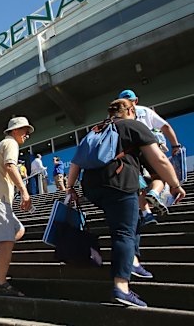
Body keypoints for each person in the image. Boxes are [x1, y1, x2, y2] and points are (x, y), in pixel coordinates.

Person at [67, 98, 186, 307]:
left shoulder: (96, 129)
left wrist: (70, 188)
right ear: (131, 110)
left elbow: (76, 163)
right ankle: (122, 287)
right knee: (124, 232)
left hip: (92, 188)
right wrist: (174, 184)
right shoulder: (134, 126)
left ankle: (132, 260)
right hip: (120, 183)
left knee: (129, 221)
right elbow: (159, 159)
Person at [0, 117, 33, 296]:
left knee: (18, 229)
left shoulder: (0, 146)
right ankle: (0, 284)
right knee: (8, 239)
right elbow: (10, 166)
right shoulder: (10, 144)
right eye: (24, 130)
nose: (27, 135)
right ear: (15, 130)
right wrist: (24, 191)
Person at [118, 89, 182, 221]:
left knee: (138, 184)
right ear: (135, 101)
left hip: (128, 156)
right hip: (149, 150)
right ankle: (154, 192)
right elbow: (166, 127)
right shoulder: (144, 111)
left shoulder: (115, 118)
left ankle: (146, 214)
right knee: (159, 176)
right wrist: (175, 145)